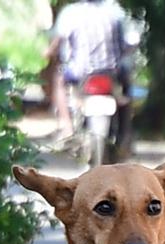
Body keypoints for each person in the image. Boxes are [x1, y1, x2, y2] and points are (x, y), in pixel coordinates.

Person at [46, 0, 136, 159]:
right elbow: (127, 44)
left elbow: (58, 42)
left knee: (58, 80)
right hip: (112, 71)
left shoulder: (70, 13)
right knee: (127, 90)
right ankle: (125, 133)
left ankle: (66, 126)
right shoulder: (115, 12)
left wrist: (49, 52)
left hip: (79, 73)